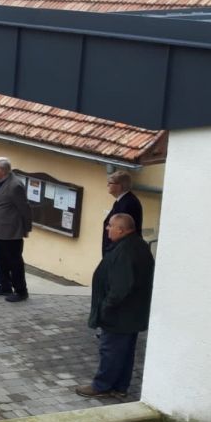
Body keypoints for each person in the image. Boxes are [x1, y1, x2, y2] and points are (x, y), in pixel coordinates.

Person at [76, 213, 154, 399]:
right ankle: (120, 387)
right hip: (132, 313)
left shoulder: (125, 251)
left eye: (110, 225)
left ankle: (102, 386)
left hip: (120, 314)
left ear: (121, 229)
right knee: (124, 352)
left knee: (111, 350)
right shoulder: (138, 245)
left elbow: (120, 287)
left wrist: (106, 307)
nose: (107, 228)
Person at [0, 157, 33, 302]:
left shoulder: (15, 186)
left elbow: (25, 208)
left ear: (2, 170)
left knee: (14, 262)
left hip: (12, 232)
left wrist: (26, 228)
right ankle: (5, 286)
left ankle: (21, 291)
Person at [103, 171, 143, 252]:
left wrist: (111, 253)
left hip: (120, 251)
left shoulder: (128, 203)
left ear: (119, 186)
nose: (107, 185)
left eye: (110, 183)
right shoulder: (122, 201)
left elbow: (121, 232)